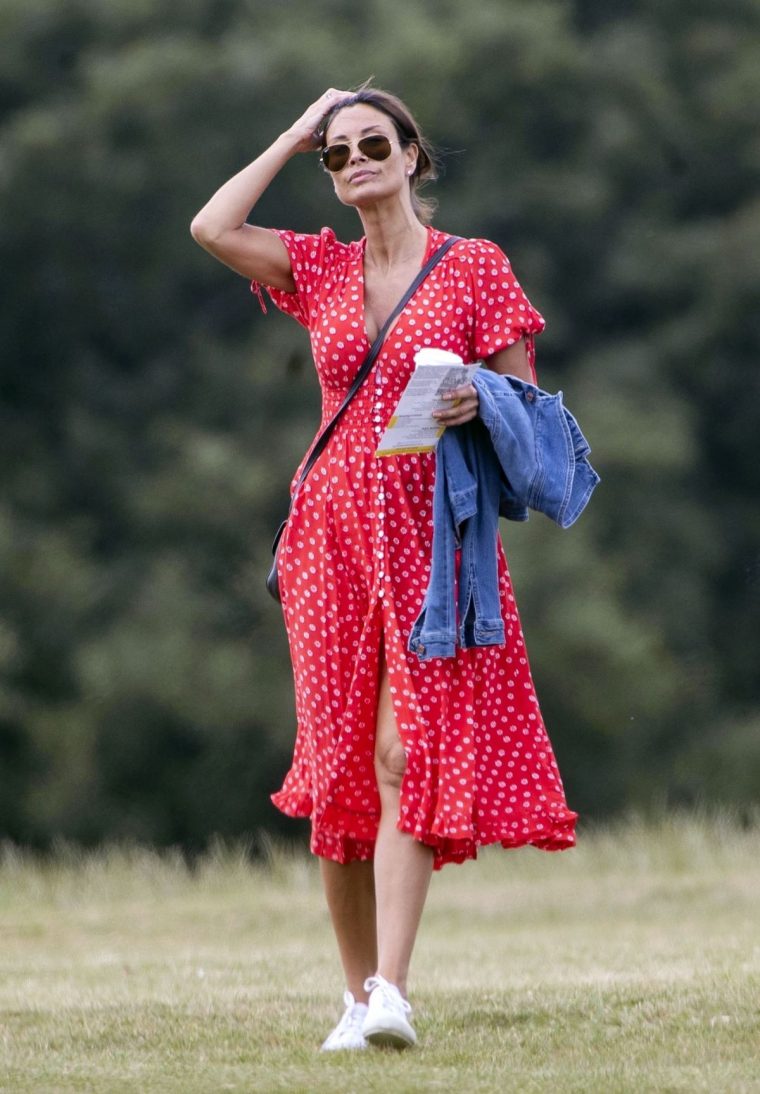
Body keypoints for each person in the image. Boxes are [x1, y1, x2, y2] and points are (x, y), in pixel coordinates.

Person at [190, 84, 578, 1051]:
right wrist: (290, 133)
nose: (355, 159)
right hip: (328, 540)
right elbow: (210, 225)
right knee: (338, 772)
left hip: (432, 536)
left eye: (373, 143)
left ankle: (391, 990)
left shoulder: (474, 266)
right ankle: (355, 999)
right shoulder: (318, 269)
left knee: (406, 752)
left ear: (413, 155)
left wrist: (476, 401)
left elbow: (530, 407)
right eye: (337, 153)